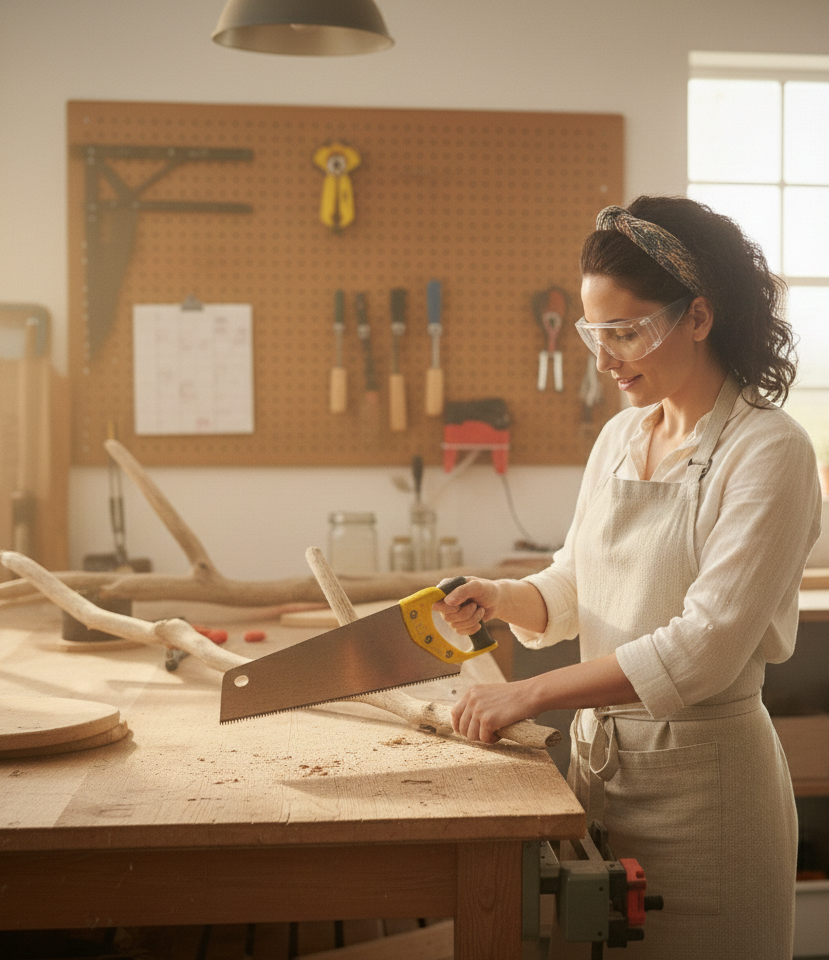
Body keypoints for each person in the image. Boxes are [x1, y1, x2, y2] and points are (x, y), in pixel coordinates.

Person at [434, 196, 822, 959]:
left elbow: (704, 646)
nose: (604, 358)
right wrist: (503, 597)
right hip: (601, 778)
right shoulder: (619, 435)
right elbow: (577, 580)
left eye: (625, 333)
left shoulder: (767, 450)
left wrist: (529, 691)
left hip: (709, 794)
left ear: (699, 318)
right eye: (593, 333)